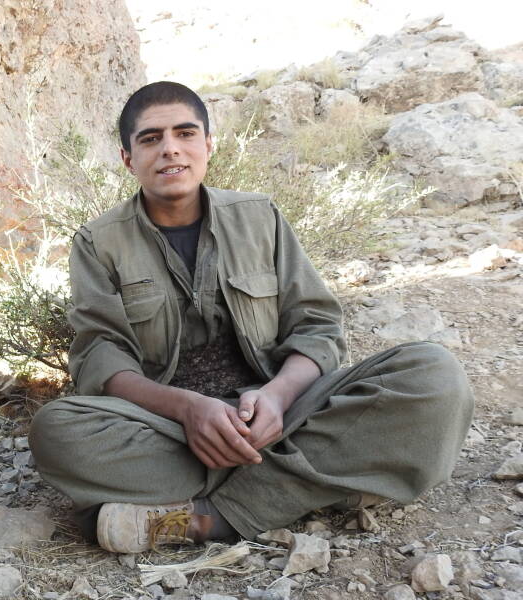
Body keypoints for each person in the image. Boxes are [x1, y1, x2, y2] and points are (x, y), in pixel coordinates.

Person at [29, 81, 474, 554]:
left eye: (185, 133)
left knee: (434, 374)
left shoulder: (260, 217)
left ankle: (212, 519)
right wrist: (189, 409)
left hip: (286, 411)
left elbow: (317, 326)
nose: (170, 149)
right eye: (151, 138)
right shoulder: (98, 243)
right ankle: (328, 474)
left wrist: (277, 398)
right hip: (170, 428)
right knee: (56, 431)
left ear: (208, 144)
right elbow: (101, 358)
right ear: (128, 158)